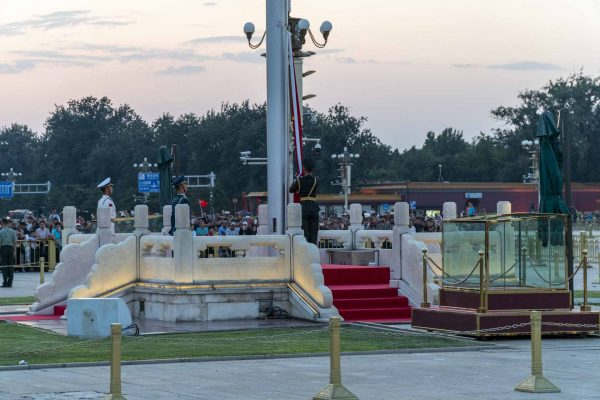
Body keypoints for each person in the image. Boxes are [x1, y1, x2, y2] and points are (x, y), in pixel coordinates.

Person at [289, 158, 320, 245]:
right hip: (314, 207)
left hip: (304, 208)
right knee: (314, 234)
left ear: (304, 168)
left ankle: (306, 253)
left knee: (305, 233)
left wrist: (297, 184)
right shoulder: (316, 180)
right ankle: (314, 252)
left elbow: (291, 190)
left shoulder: (299, 180)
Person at [0, 217, 17, 288]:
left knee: (4, 266)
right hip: (11, 248)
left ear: (2, 223)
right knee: (11, 266)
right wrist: (15, 251)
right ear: (8, 223)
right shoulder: (13, 231)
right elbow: (15, 242)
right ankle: (10, 283)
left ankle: (5, 283)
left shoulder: (0, 232)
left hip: (3, 248)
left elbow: (0, 243)